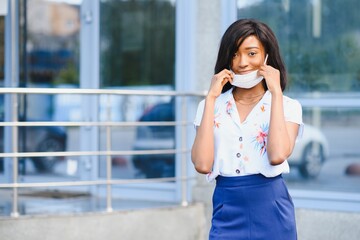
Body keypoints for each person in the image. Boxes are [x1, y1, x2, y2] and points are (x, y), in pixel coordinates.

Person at [191, 19, 303, 240]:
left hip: (271, 207)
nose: (242, 62)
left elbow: (277, 155)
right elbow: (203, 164)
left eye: (251, 53)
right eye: (234, 54)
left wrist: (276, 94)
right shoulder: (210, 105)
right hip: (227, 208)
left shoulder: (288, 106)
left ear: (267, 57)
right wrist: (211, 97)